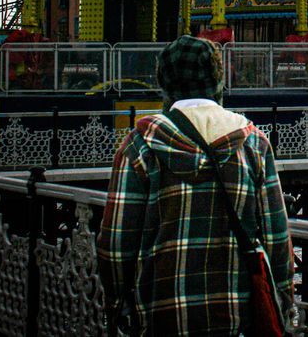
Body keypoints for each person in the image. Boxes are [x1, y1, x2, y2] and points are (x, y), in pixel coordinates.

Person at [98, 35, 294, 335]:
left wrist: (119, 306)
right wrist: (281, 301)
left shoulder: (139, 146)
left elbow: (116, 246)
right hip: (236, 316)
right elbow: (276, 238)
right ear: (218, 80)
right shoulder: (253, 143)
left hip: (161, 315)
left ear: (163, 82)